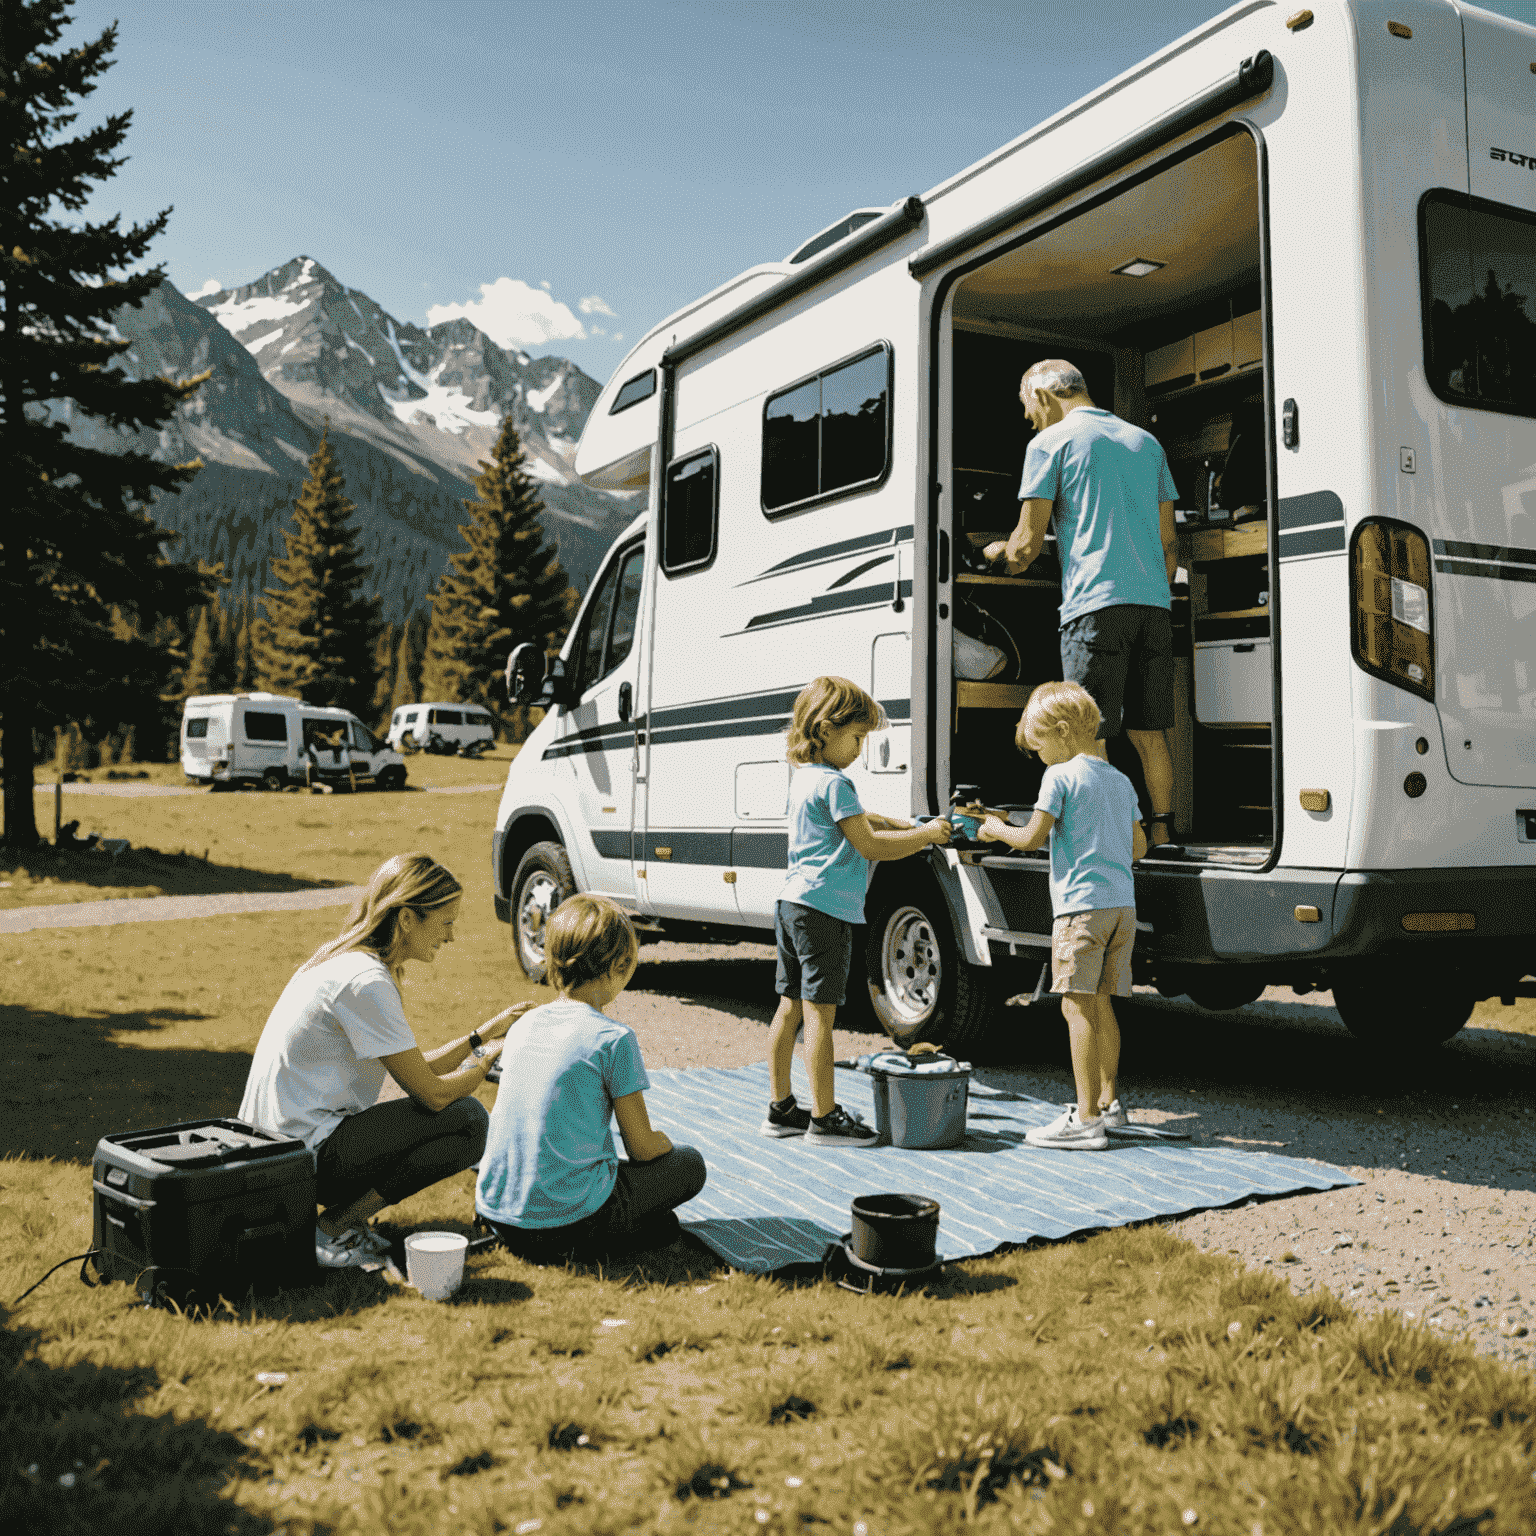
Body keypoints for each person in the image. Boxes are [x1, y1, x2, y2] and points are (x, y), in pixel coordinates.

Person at [240, 852, 529, 1269]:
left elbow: (414, 1068)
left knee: (455, 1111)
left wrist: (481, 1035)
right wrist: (485, 1060)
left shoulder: (342, 962)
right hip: (302, 1155)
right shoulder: (366, 981)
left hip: (277, 1147)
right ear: (408, 918)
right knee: (467, 1120)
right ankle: (331, 1228)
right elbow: (431, 1095)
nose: (450, 937)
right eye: (445, 923)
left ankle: (333, 1224)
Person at [985, 359, 1181, 847]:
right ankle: (1161, 831)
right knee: (1149, 731)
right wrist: (1150, 586)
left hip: (1094, 607)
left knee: (1090, 735)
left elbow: (1026, 546)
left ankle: (1110, 838)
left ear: (1047, 396)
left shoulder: (1048, 444)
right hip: (1155, 605)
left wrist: (996, 557)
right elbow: (1169, 544)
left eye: (1028, 406)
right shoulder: (1146, 442)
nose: (1029, 418)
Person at [762, 676, 953, 1146]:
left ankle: (781, 1108)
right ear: (826, 729)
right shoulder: (837, 782)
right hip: (825, 911)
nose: (861, 748)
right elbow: (869, 843)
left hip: (792, 904)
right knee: (820, 1017)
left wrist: (908, 824)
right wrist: (925, 838)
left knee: (788, 1010)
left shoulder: (805, 779)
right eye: (857, 737)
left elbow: (864, 820)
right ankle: (824, 1119)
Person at [476, 895, 706, 1259]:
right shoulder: (612, 1038)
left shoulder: (523, 1026)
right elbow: (642, 1148)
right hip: (567, 1223)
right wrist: (666, 1143)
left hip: (497, 1214)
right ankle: (618, 1233)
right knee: (690, 1165)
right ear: (619, 964)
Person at [977, 681, 1147, 1150]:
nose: (1039, 758)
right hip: (1121, 906)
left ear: (1065, 732)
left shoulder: (1060, 776)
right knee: (1103, 1003)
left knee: (1075, 1007)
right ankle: (1111, 1104)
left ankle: (1086, 1119)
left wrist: (994, 829)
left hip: (1080, 910)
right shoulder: (1119, 779)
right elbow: (1139, 845)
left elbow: (1031, 837)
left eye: (1040, 747)